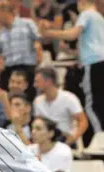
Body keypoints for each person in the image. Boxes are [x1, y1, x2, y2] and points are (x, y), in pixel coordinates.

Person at [40, 0, 104, 134]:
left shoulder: (86, 14)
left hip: (92, 64)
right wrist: (69, 52)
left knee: (92, 105)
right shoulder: (99, 17)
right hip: (99, 62)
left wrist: (48, 33)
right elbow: (90, 47)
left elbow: (72, 34)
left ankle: (100, 137)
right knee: (100, 101)